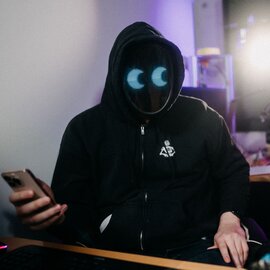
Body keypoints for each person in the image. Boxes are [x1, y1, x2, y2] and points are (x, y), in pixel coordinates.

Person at [9, 22, 250, 268]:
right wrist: (53, 216)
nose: (151, 88)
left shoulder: (201, 116)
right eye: (137, 77)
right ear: (119, 74)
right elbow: (75, 217)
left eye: (159, 75)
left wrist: (230, 221)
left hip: (197, 249)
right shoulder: (85, 129)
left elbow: (233, 171)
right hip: (117, 256)